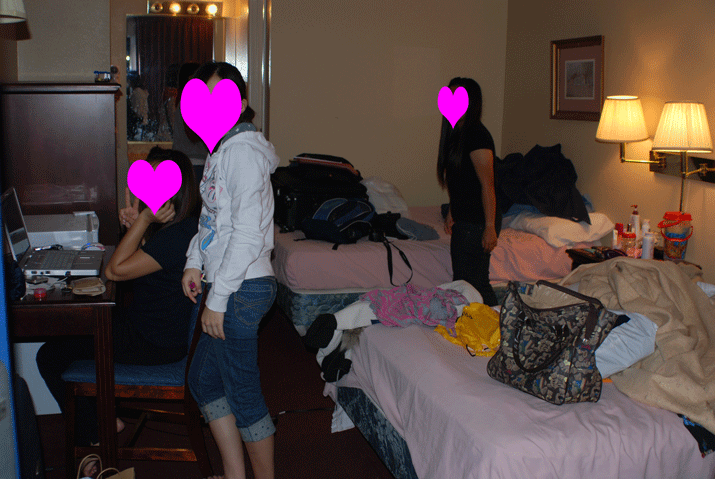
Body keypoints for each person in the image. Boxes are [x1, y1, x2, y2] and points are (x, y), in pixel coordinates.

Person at [36, 147, 200, 466]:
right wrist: (139, 226)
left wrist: (143, 220)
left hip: (153, 343)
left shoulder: (175, 238)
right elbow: (148, 265)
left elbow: (114, 271)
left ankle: (96, 432)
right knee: (77, 332)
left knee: (49, 355)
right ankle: (102, 419)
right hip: (154, 331)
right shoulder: (184, 229)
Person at [182, 61, 280, 479]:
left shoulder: (242, 153)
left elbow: (247, 234)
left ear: (240, 104)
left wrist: (217, 298)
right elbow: (211, 220)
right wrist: (194, 261)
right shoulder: (219, 150)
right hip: (226, 281)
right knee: (204, 382)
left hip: (243, 286)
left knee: (243, 393)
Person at [437, 77, 501, 306]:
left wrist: (490, 227)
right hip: (465, 219)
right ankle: (487, 322)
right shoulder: (458, 133)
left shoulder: (477, 135)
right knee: (466, 283)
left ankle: (496, 321)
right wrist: (452, 210)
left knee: (472, 284)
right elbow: (461, 180)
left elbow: (487, 185)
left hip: (477, 221)